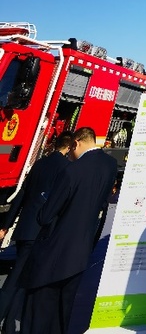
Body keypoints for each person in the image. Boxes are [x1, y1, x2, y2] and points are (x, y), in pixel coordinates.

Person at [21, 126, 118, 334]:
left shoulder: (71, 171)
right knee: (64, 311)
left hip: (54, 253)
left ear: (76, 143)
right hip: (81, 251)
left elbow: (45, 216)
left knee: (40, 311)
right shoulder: (110, 165)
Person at [0, 133, 73, 331]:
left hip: (24, 228)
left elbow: (21, 194)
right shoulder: (66, 169)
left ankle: (7, 324)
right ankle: (4, 319)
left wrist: (6, 225)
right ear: (69, 147)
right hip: (40, 231)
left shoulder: (40, 164)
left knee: (18, 276)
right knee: (18, 281)